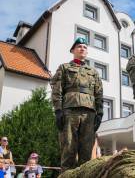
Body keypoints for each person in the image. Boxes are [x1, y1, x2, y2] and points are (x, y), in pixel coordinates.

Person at [50, 37, 104, 171]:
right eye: (79, 46)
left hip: (89, 114)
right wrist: (58, 110)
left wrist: (100, 114)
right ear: (73, 50)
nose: (82, 49)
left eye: (85, 47)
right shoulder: (64, 68)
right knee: (68, 148)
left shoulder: (94, 72)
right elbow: (57, 90)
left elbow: (99, 94)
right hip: (70, 111)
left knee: (86, 151)